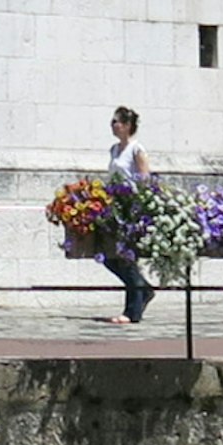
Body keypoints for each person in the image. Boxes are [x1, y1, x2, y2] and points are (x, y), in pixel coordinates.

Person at [90, 107, 156, 328]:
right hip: (114, 206)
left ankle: (132, 310)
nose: (113, 125)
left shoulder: (137, 149)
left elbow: (144, 179)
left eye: (117, 121)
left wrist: (137, 203)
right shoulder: (114, 149)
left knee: (126, 257)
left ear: (127, 126)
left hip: (131, 207)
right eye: (112, 121)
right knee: (108, 255)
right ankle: (143, 289)